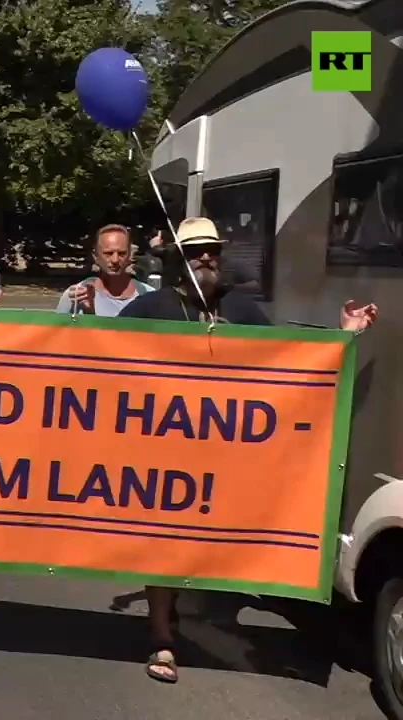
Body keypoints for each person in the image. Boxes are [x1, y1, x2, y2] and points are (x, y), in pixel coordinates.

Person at [118, 216, 378, 684]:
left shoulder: (242, 308)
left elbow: (290, 359)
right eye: (195, 250)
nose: (205, 258)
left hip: (225, 455)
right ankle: (162, 636)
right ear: (177, 258)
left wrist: (343, 336)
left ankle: (185, 606)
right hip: (163, 453)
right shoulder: (149, 307)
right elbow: (97, 355)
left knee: (210, 542)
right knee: (163, 546)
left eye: (212, 250)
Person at [57, 224, 152, 317]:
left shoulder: (149, 296)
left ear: (130, 255)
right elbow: (58, 330)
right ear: (95, 256)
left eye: (121, 253)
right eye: (108, 253)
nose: (115, 260)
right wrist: (89, 313)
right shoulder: (77, 295)